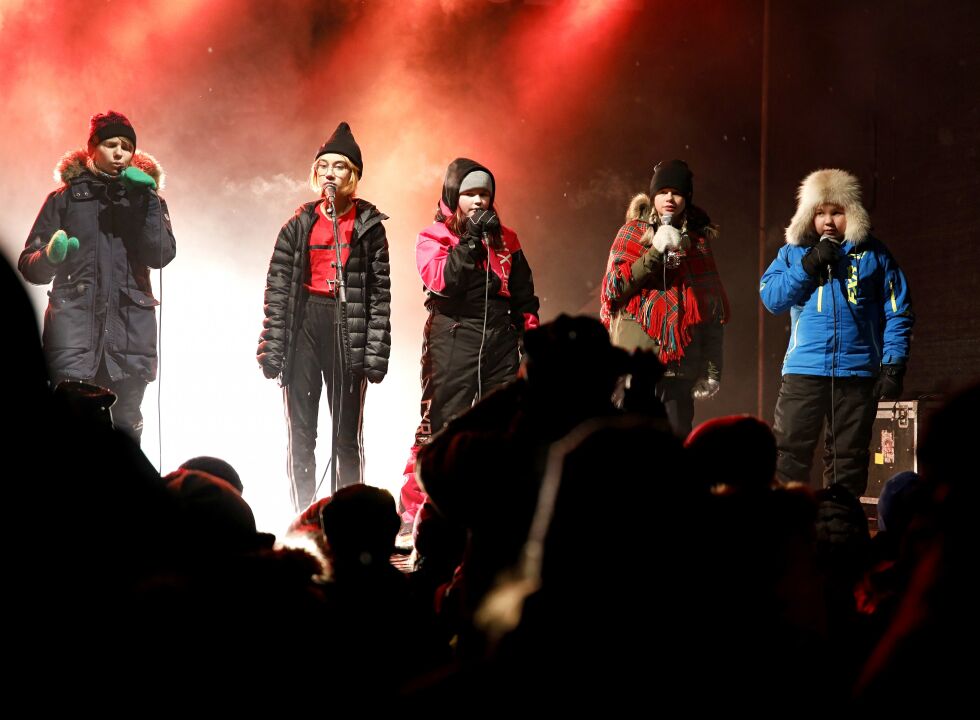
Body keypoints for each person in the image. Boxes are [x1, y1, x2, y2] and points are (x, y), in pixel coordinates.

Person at [398, 158, 540, 529]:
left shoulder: (508, 238)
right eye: (470, 194)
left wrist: (528, 334)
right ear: (453, 196)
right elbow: (443, 282)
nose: (479, 201)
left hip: (499, 339)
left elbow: (524, 293)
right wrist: (471, 241)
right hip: (453, 335)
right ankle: (422, 512)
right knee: (443, 424)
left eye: (485, 195)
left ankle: (497, 509)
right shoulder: (434, 237)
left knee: (506, 424)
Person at [19, 110, 176, 443]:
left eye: (126, 146)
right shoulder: (65, 200)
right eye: (110, 144)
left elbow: (160, 255)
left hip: (130, 339)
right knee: (71, 437)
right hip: (73, 340)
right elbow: (28, 264)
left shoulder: (148, 200)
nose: (120, 153)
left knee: (125, 437)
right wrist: (50, 257)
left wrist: (145, 202)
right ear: (92, 148)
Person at [257, 122, 391, 513]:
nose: (331, 173)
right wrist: (272, 346)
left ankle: (351, 518)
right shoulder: (298, 223)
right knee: (301, 434)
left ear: (354, 176)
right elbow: (277, 289)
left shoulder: (369, 229)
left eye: (341, 167)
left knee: (345, 437)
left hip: (346, 327)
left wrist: (374, 353)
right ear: (316, 173)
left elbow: (380, 295)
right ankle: (305, 516)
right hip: (305, 328)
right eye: (325, 166)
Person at [760, 168, 914, 498]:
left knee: (848, 461)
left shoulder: (875, 254)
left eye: (837, 212)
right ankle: (788, 531)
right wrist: (808, 265)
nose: (828, 221)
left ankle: (840, 533)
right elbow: (771, 298)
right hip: (803, 370)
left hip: (856, 373)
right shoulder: (794, 253)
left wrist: (893, 365)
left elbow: (898, 310)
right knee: (788, 455)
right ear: (808, 215)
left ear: (852, 213)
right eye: (820, 212)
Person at [600, 159, 730, 437]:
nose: (670, 198)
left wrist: (711, 368)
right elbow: (614, 288)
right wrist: (654, 252)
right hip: (636, 365)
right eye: (663, 191)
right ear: (653, 196)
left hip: (679, 371)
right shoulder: (632, 233)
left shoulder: (697, 243)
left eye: (677, 192)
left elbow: (710, 312)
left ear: (687, 198)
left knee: (674, 450)